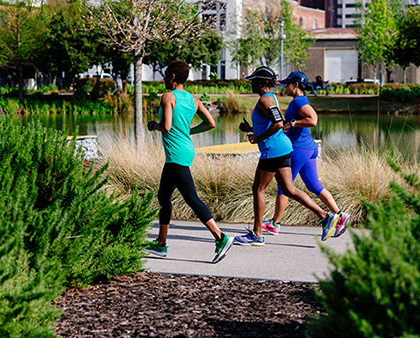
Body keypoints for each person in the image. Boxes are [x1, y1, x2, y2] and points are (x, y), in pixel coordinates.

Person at [234, 66, 340, 246]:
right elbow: (272, 123)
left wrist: (259, 137)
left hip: (273, 151)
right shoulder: (270, 98)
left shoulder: (265, 101)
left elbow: (278, 123)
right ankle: (326, 216)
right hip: (283, 148)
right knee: (289, 189)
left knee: (258, 189)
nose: (251, 83)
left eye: (253, 81)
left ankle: (257, 234)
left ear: (262, 83)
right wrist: (251, 130)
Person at [144, 60, 234, 263]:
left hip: (176, 154)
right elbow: (210, 123)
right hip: (182, 151)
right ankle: (160, 244)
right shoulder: (193, 99)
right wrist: (189, 132)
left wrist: (153, 125)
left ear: (173, 77)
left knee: (191, 199)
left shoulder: (168, 97)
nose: (164, 78)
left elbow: (166, 127)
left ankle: (220, 237)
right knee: (163, 196)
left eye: (166, 74)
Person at [262, 71, 350, 237]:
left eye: (288, 84)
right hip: (308, 148)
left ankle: (275, 224)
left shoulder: (298, 101)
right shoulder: (299, 100)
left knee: (284, 186)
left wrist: (293, 123)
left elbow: (313, 119)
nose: (285, 87)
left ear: (295, 85)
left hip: (299, 149)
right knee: (313, 185)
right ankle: (339, 215)